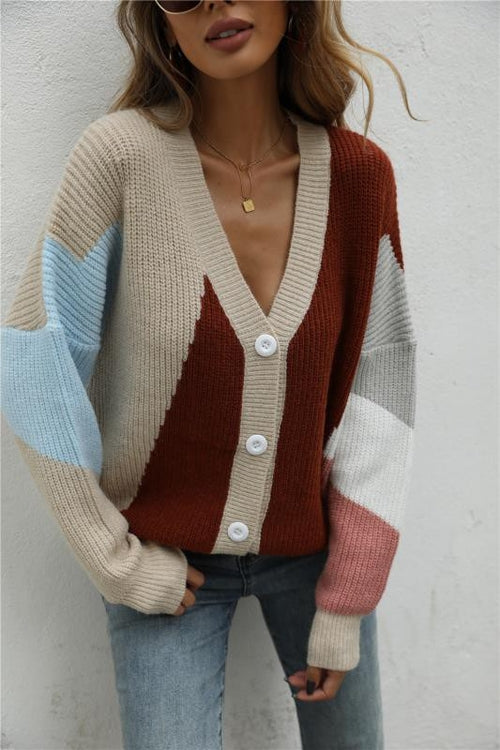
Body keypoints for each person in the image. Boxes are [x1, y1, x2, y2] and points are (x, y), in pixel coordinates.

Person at [1, 1, 419, 748]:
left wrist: (349, 595)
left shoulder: (358, 176)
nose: (217, 4)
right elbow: (35, 355)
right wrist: (114, 560)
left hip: (316, 557)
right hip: (161, 562)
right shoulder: (120, 158)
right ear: (161, 21)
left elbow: (378, 384)